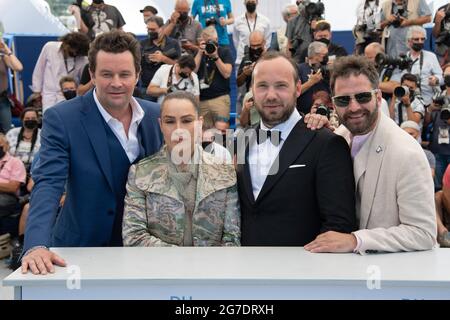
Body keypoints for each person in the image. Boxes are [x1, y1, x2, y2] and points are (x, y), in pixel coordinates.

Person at [22, 31, 163, 275]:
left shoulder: (157, 115)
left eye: (125, 74)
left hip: (146, 254)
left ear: (138, 75)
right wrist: (36, 244)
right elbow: (48, 184)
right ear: (92, 75)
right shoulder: (62, 118)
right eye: (107, 74)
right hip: (80, 252)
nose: (116, 83)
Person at [305, 55, 436, 254]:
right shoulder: (335, 139)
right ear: (333, 104)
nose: (354, 107)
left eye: (362, 96)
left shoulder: (407, 153)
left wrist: (356, 240)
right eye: (343, 100)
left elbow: (422, 233)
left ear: (378, 97)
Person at [236, 51, 356, 246]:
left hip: (302, 270)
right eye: (262, 86)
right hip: (246, 268)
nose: (271, 95)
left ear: (298, 88)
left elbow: (338, 224)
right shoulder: (241, 141)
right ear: (252, 90)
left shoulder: (326, 144)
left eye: (281, 86)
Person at [123, 91, 239, 246]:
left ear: (199, 124)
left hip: (212, 269)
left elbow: (232, 239)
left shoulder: (225, 172)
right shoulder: (140, 174)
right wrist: (183, 263)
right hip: (159, 269)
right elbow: (134, 238)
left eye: (186, 121)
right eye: (170, 121)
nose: (179, 129)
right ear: (161, 125)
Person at [31, 32, 90, 111]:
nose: (75, 53)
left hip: (70, 96)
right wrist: (37, 92)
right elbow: (39, 69)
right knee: (49, 119)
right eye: (72, 51)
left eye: (77, 53)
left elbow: (82, 79)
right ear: (66, 44)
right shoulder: (49, 47)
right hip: (49, 95)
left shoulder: (83, 58)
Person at [194, 27, 233, 122]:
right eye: (207, 42)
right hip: (202, 101)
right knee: (204, 134)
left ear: (217, 40)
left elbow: (227, 74)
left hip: (220, 99)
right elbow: (193, 71)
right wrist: (199, 52)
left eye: (211, 41)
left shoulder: (224, 52)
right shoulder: (199, 53)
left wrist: (215, 57)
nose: (210, 44)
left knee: (222, 134)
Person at [139, 16, 181, 101]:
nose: (150, 32)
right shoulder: (142, 44)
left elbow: (179, 66)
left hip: (169, 88)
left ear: (162, 28)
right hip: (147, 88)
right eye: (148, 29)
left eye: (153, 29)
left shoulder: (173, 43)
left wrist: (163, 59)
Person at [232, 0, 271, 69]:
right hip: (242, 60)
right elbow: (236, 41)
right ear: (244, 2)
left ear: (257, 2)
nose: (250, 2)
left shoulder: (265, 21)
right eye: (248, 0)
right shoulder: (237, 21)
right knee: (240, 79)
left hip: (261, 61)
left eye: (253, 0)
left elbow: (267, 41)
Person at [297, 41, 330, 114]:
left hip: (326, 112)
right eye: (324, 55)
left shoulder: (328, 70)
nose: (327, 57)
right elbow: (293, 92)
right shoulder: (299, 69)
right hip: (303, 114)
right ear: (315, 55)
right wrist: (311, 82)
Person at [6, 108, 41, 172]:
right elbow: (5, 152)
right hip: (12, 169)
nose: (30, 120)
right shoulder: (12, 133)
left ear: (38, 120)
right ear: (22, 120)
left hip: (35, 170)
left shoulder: (43, 135)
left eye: (33, 118)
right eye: (27, 118)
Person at [0, 133, 26, 218]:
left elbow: (13, 187)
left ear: (7, 145)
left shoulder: (15, 162)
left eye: (0, 146)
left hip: (7, 196)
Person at [0, 37, 23, 133]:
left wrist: (7, 50)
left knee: (8, 130)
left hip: (2, 99)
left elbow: (18, 67)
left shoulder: (3, 58)